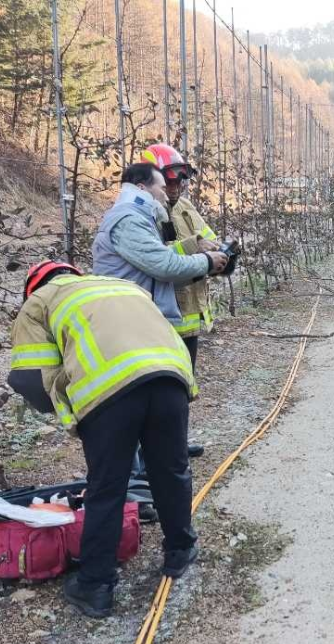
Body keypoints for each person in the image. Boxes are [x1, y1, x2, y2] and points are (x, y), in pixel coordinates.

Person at [8, 261, 202, 618]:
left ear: (33, 286)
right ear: (75, 274)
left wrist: (63, 406)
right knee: (170, 468)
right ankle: (180, 549)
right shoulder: (122, 286)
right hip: (170, 377)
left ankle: (95, 586)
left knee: (107, 486)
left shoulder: (38, 303)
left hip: (109, 392)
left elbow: (30, 379)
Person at [92, 161, 228, 459]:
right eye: (163, 187)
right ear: (142, 187)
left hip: (149, 319)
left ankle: (164, 453)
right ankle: (142, 467)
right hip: (132, 323)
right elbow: (163, 264)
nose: (168, 193)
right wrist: (205, 261)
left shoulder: (145, 216)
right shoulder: (129, 220)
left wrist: (203, 253)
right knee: (139, 396)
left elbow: (160, 262)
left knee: (167, 392)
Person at [140, 144, 222, 456]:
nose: (175, 188)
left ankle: (177, 443)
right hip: (160, 316)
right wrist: (194, 249)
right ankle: (154, 450)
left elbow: (209, 240)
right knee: (158, 387)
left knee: (184, 383)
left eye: (180, 181)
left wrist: (219, 255)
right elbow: (160, 260)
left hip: (188, 314)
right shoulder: (143, 213)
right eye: (169, 181)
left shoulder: (186, 208)